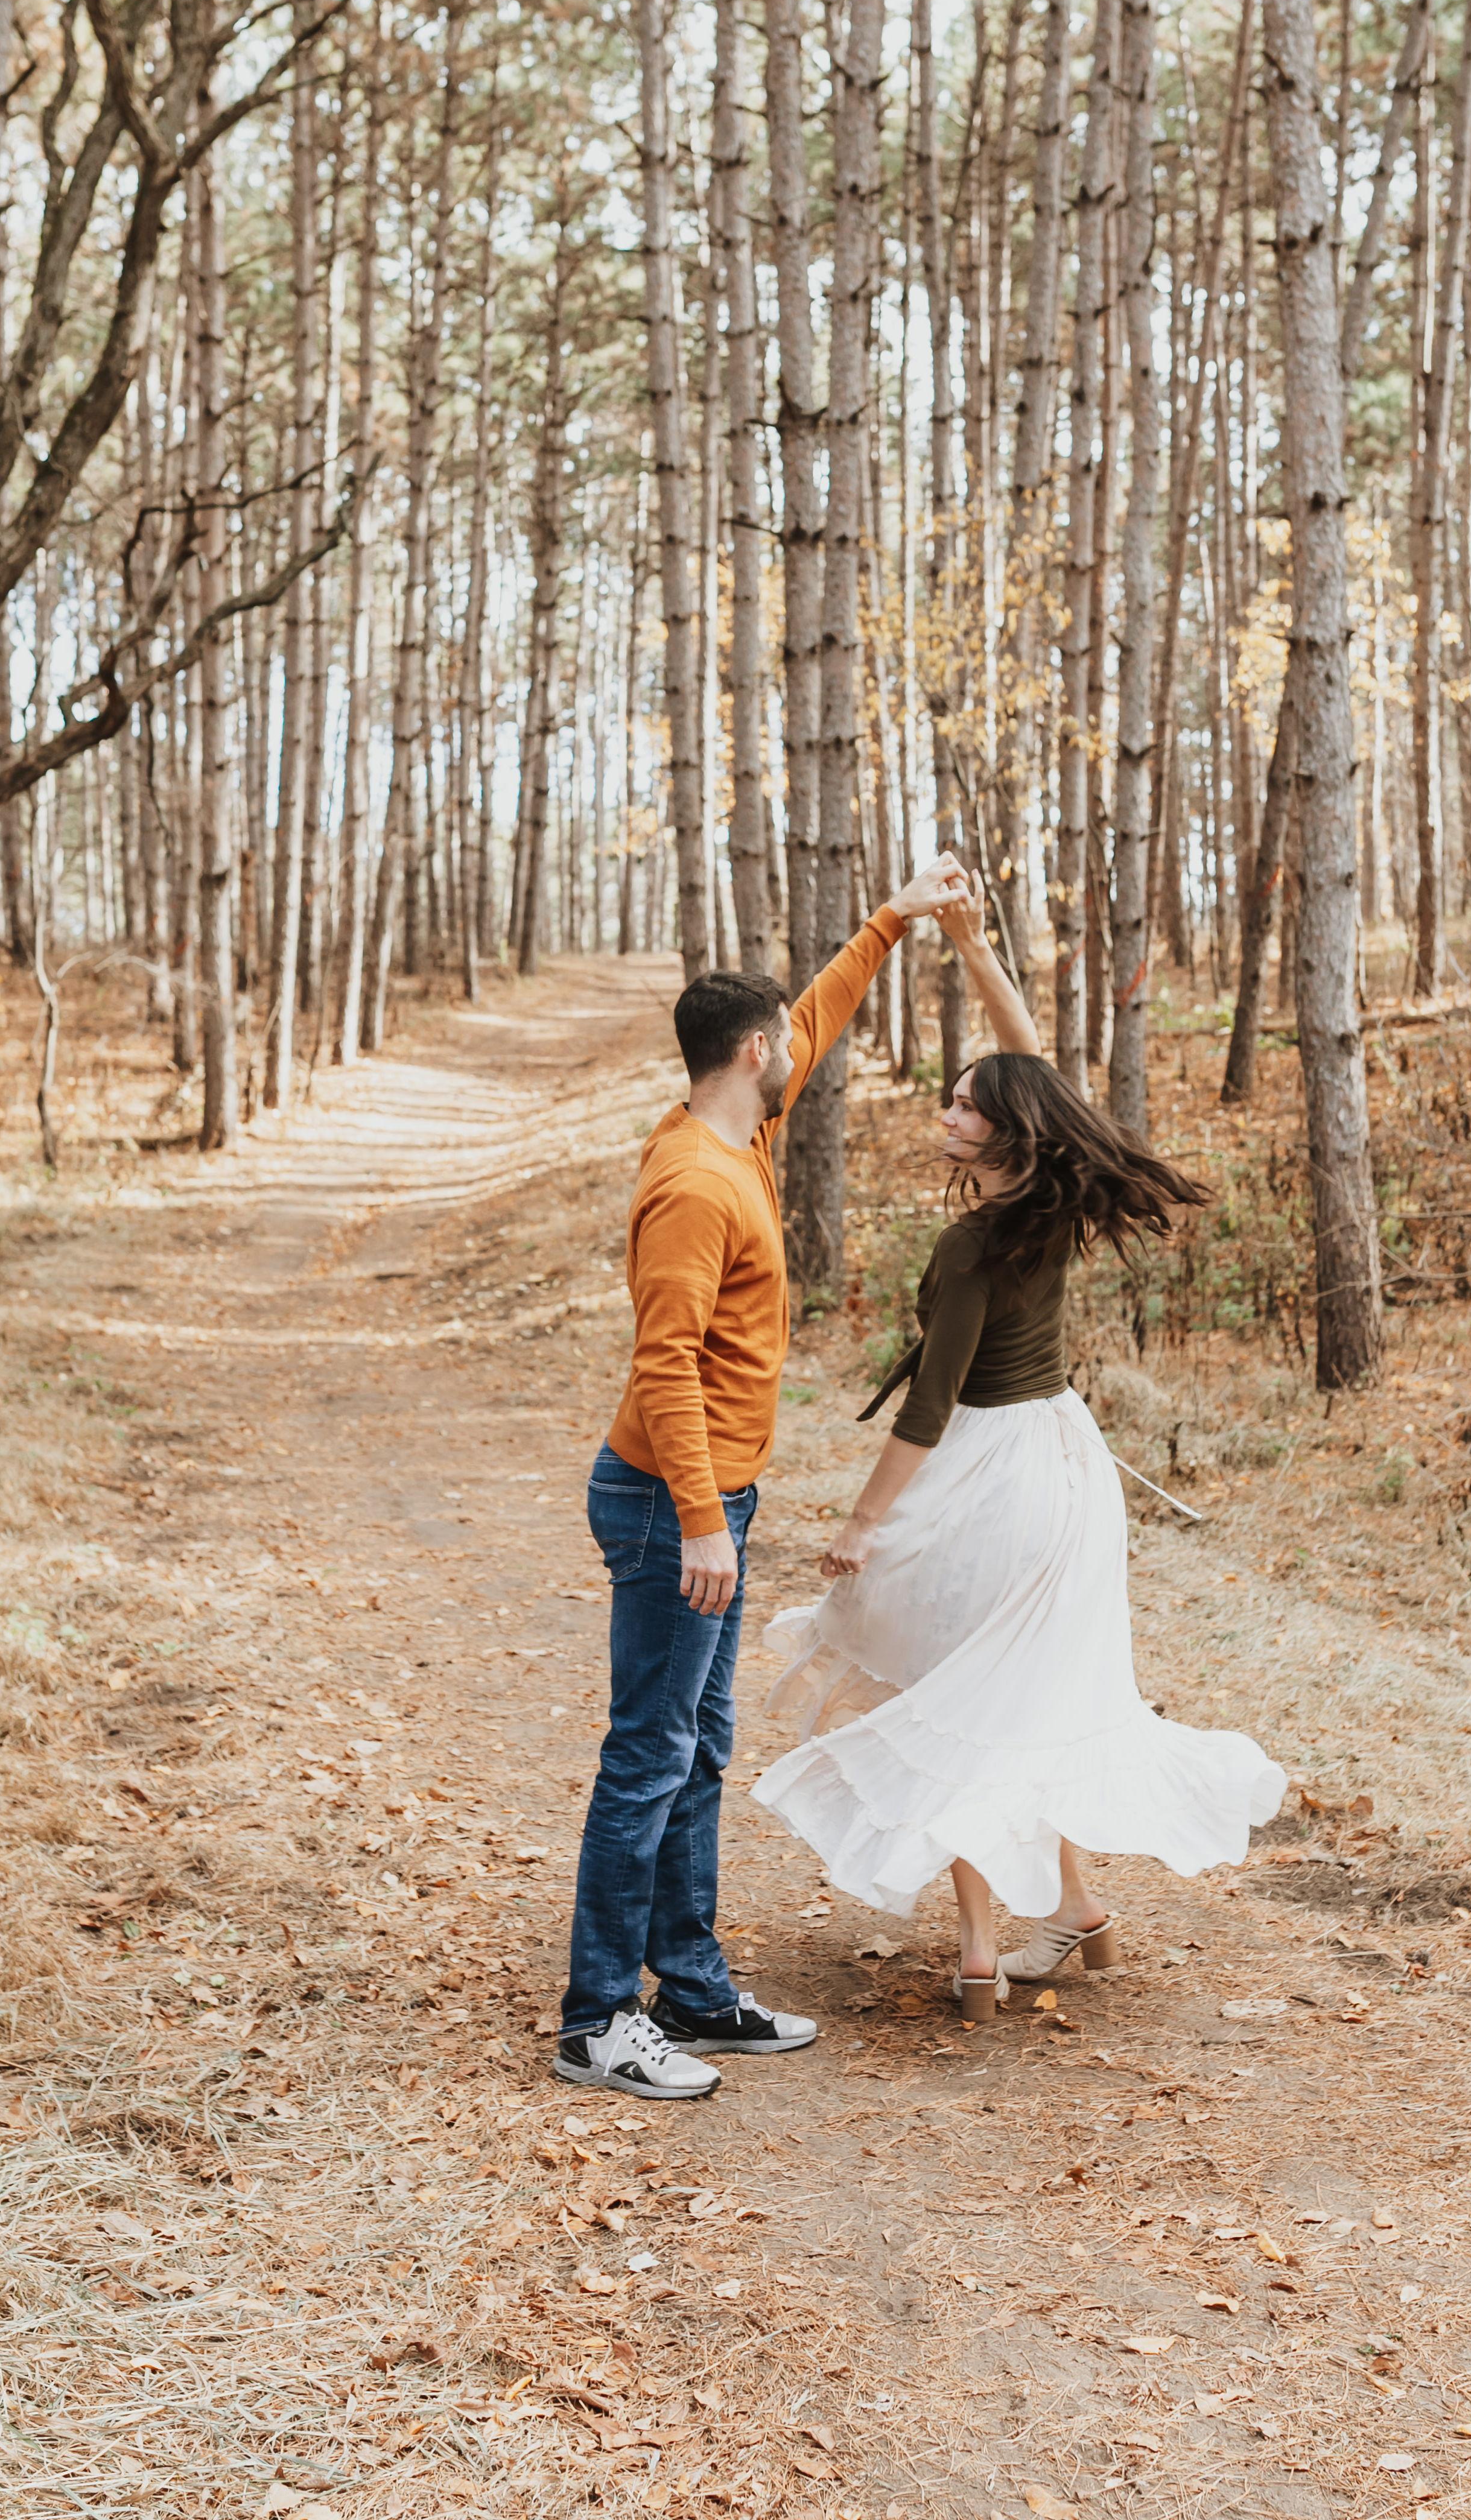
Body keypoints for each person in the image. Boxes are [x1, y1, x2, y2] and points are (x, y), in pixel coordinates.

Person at [749, 876, 1289, 2018]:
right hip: (1067, 1467)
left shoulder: (973, 1245)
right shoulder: (1054, 1201)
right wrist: (971, 946)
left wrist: (862, 1524)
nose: (948, 1114)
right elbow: (1029, 1064)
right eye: (951, 1100)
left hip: (991, 1472)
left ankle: (979, 1949)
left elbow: (929, 1406)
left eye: (964, 1107)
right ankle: (1078, 1912)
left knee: (954, 1703)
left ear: (1005, 1128)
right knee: (1018, 1697)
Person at [552, 853, 974, 2099]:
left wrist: (892, 919)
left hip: (711, 1500)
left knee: (696, 1748)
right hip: (668, 1505)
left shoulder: (738, 1134)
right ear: (751, 1054)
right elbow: (665, 1363)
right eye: (780, 1039)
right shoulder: (696, 1185)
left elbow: (819, 1014)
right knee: (651, 1753)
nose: (799, 1046)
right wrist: (700, 1520)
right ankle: (596, 2020)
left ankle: (689, 1988)